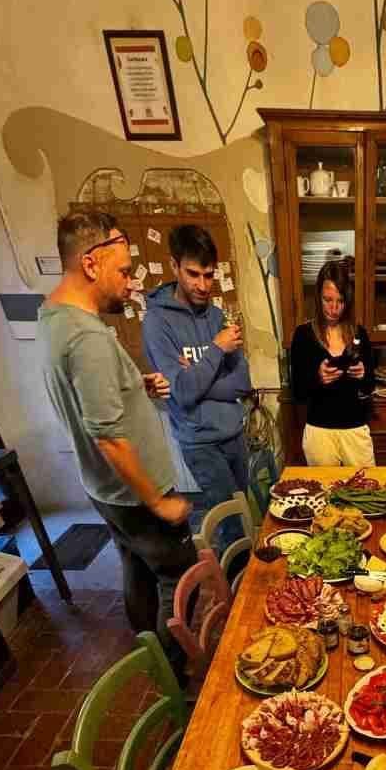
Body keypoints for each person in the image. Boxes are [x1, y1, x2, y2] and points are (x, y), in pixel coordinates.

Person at [38, 211, 196, 672]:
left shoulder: (53, 318)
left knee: (136, 570)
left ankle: (148, 649)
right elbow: (107, 435)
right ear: (90, 264)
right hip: (135, 492)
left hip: (103, 491)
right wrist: (159, 502)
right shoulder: (86, 337)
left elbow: (89, 398)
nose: (130, 283)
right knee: (181, 576)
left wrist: (132, 386)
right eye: (124, 271)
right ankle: (172, 668)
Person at [143, 225, 252, 550]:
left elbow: (242, 384)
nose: (203, 285)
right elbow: (182, 393)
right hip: (201, 442)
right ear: (174, 266)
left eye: (209, 275)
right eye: (193, 274)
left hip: (234, 434)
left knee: (245, 517)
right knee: (231, 526)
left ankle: (244, 583)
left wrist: (199, 377)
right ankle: (234, 592)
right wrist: (217, 350)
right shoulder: (157, 322)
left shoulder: (218, 315)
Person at [290, 260, 375, 466]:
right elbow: (298, 393)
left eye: (340, 301)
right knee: (324, 495)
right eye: (328, 300)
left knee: (367, 490)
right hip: (319, 432)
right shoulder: (303, 336)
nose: (334, 308)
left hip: (355, 430)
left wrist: (363, 375)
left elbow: (370, 386)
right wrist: (317, 378)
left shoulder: (359, 334)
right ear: (318, 297)